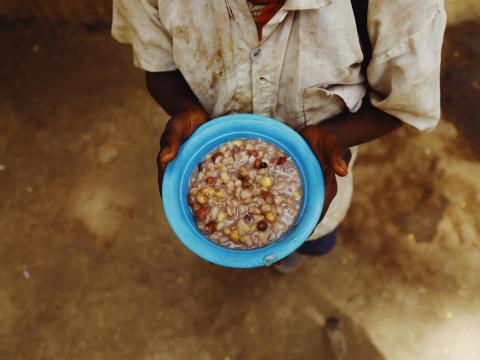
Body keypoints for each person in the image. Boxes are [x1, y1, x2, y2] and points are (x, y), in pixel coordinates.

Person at [112, 0, 446, 272]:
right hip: (214, 163)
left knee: (315, 237)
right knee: (242, 240)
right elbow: (159, 68)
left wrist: (332, 135)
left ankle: (295, 253)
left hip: (321, 181)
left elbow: (400, 104)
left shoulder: (404, 7)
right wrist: (187, 110)